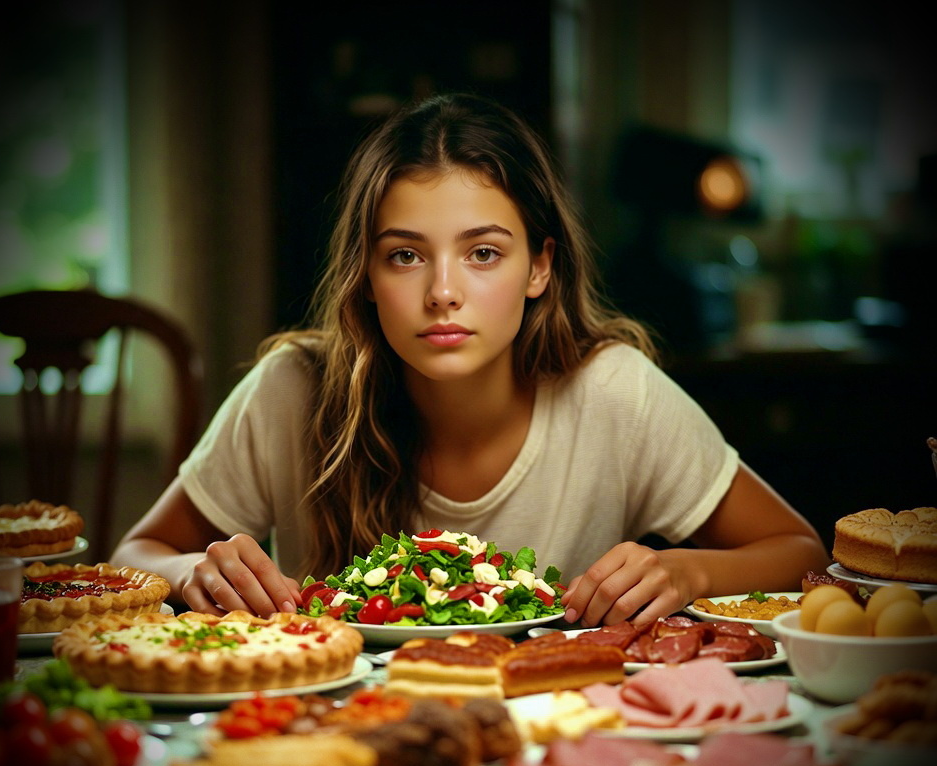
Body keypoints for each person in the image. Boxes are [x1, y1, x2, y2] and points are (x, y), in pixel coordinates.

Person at [112, 93, 828, 627]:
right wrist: (187, 569)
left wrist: (688, 568)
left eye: (483, 253)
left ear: (540, 268)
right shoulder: (291, 389)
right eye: (405, 256)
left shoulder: (614, 394)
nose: (443, 293)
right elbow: (132, 555)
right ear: (365, 272)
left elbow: (801, 552)